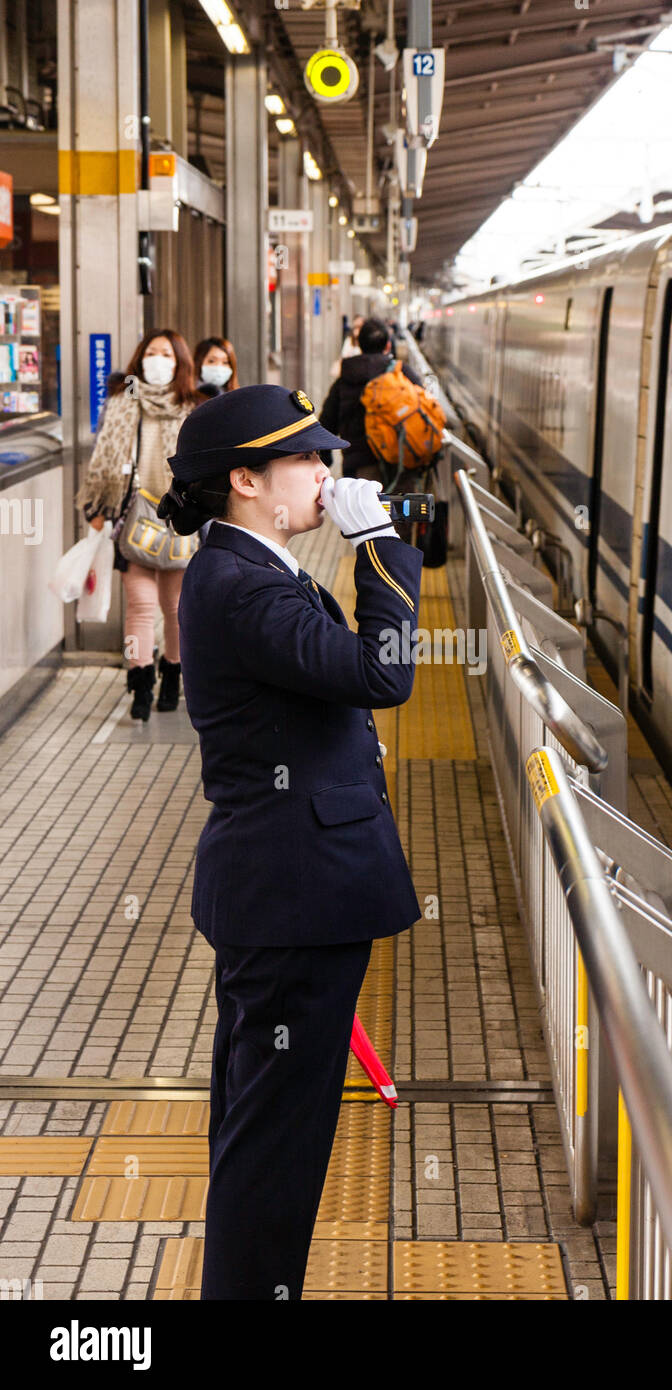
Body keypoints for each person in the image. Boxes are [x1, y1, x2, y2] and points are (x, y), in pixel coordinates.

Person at [157, 383, 423, 1300]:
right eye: (308, 459)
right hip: (297, 897)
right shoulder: (241, 585)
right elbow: (381, 676)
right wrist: (380, 549)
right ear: (244, 480)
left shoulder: (250, 568)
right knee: (277, 1141)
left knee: (263, 1125)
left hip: (290, 892)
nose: (327, 473)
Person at [75, 329, 201, 720]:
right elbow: (102, 459)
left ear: (180, 363)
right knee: (140, 607)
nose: (157, 360)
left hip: (178, 518)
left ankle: (173, 677)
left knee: (176, 608)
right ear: (139, 359)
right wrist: (98, 508)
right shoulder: (121, 402)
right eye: (151, 352)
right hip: (132, 516)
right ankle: (140, 683)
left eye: (166, 353)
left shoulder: (193, 408)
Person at [320, 316, 422, 480]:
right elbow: (422, 405)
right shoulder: (402, 372)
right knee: (398, 506)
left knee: (361, 506)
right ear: (388, 345)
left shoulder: (346, 378)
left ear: (359, 344)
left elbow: (327, 422)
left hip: (359, 469)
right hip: (401, 465)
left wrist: (325, 458)